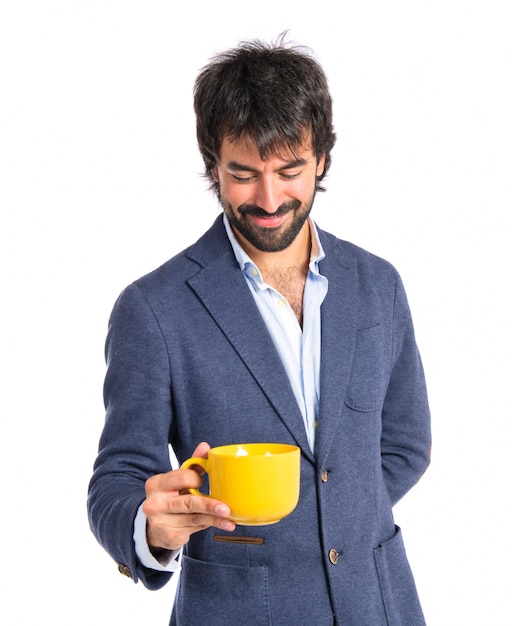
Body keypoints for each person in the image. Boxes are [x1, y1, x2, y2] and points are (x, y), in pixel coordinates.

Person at [88, 35, 431, 625]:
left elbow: (405, 444)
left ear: (321, 160)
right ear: (212, 165)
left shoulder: (379, 286)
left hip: (381, 605)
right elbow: (116, 481)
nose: (269, 199)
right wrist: (152, 527)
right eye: (243, 174)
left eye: (290, 171)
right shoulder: (153, 308)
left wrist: (333, 516)